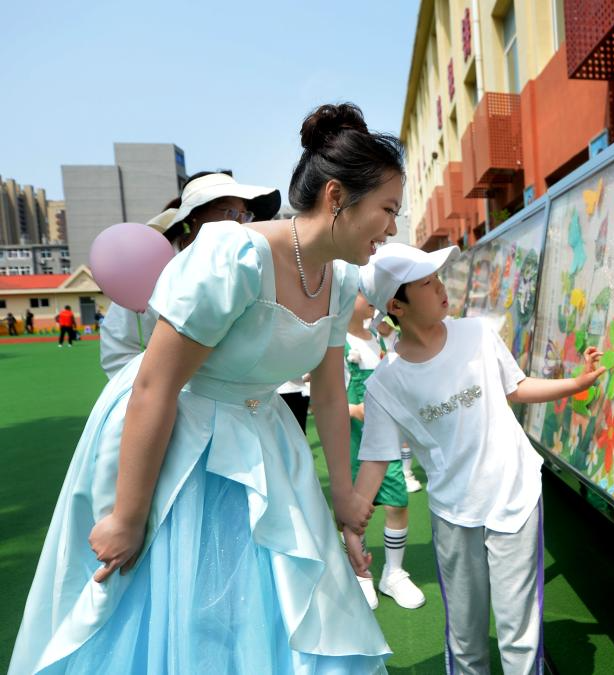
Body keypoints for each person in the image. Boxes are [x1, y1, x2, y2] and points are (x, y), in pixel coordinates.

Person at [11, 102, 403, 674]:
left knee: (264, 600)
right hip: (180, 437)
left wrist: (343, 495)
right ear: (337, 196)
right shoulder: (234, 255)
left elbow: (327, 393)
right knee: (179, 602)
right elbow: (156, 385)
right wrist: (127, 515)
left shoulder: (341, 279)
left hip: (263, 436)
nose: (393, 229)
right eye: (388, 210)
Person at [348, 243, 605, 675]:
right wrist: (353, 527)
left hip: (514, 492)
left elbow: (516, 387)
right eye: (427, 283)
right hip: (455, 512)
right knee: (466, 635)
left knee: (519, 631)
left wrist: (575, 384)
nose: (441, 288)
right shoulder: (385, 384)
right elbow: (375, 459)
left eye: (437, 278)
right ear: (396, 305)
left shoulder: (478, 334)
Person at [99, 173, 281, 378]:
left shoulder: (250, 267)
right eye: (230, 212)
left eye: (244, 215)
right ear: (194, 215)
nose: (240, 223)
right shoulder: (150, 266)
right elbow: (118, 352)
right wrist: (158, 390)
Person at [345, 293, 425, 610]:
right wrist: (354, 409)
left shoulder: (378, 337)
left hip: (384, 439)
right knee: (355, 510)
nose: (369, 298)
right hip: (352, 441)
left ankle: (393, 572)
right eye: (360, 291)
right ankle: (360, 573)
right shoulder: (337, 344)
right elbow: (324, 399)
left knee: (397, 501)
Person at [375, 315, 423, 493]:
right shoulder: (380, 326)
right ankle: (404, 473)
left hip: (409, 382)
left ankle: (406, 471)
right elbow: (383, 328)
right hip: (389, 385)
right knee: (399, 433)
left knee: (412, 432)